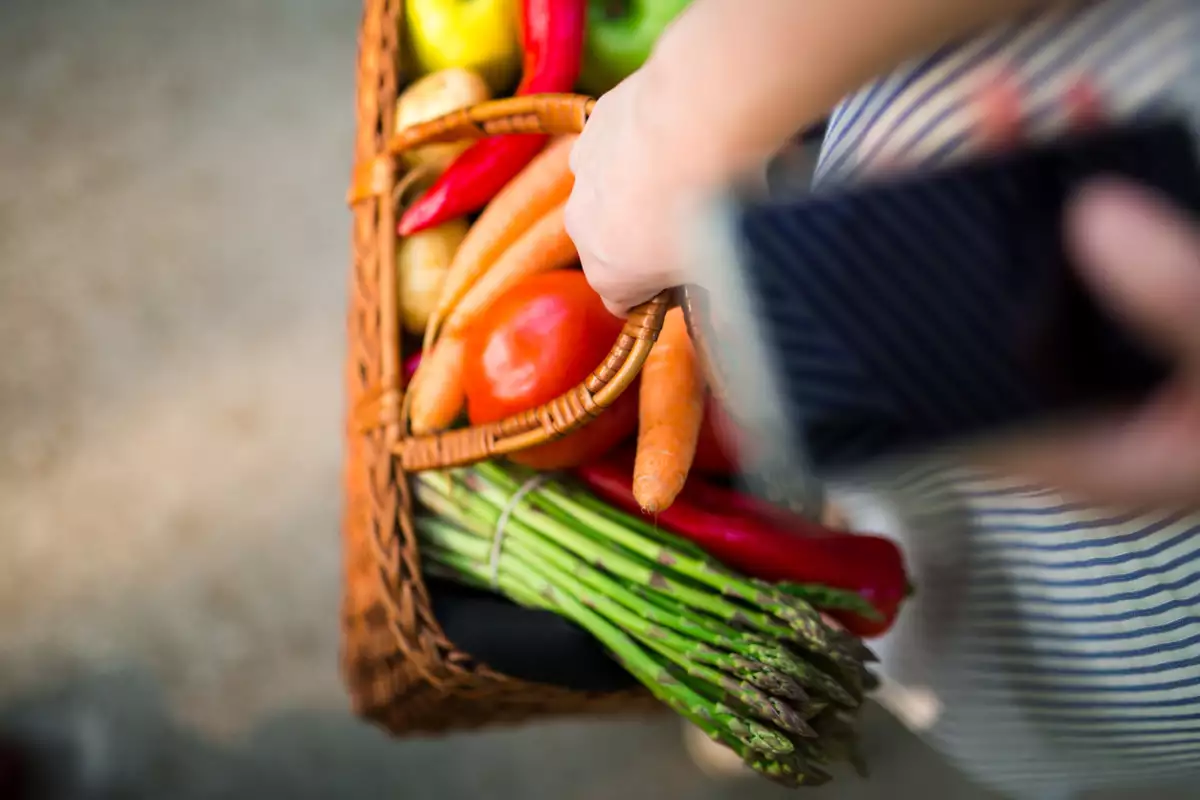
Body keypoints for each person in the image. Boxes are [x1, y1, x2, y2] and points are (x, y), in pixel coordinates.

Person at [566, 1, 1200, 797]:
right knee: (931, 505)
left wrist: (690, 107)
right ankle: (854, 625)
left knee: (1032, 607)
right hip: (1035, 232)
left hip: (1056, 239)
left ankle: (854, 645)